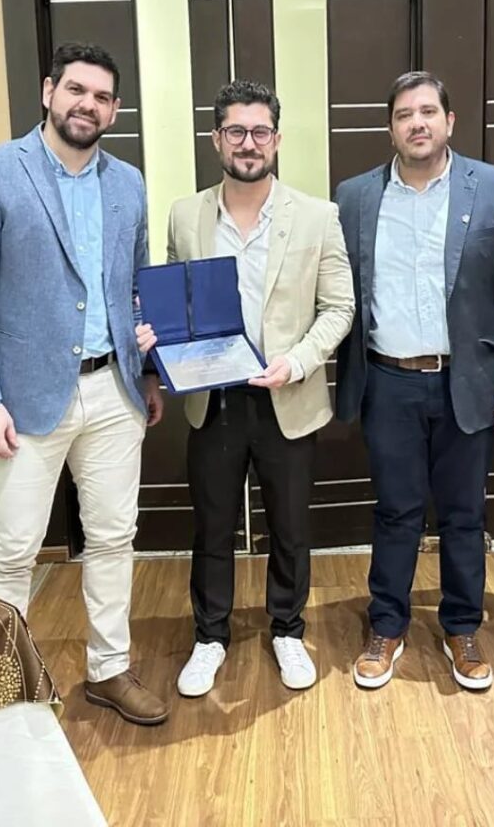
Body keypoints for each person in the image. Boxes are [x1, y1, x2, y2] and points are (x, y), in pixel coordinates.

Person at [0, 41, 167, 725]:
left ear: (114, 110)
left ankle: (109, 669)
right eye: (75, 90)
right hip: (24, 401)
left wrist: (147, 371)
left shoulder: (128, 183)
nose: (86, 105)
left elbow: (134, 285)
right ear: (48, 92)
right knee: (12, 548)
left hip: (114, 392)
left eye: (101, 97)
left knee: (114, 536)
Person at [136, 79, 354, 695]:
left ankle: (287, 629)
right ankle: (210, 637)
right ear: (217, 139)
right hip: (214, 401)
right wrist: (157, 340)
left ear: (277, 140)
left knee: (290, 527)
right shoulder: (186, 214)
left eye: (260, 131)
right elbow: (176, 302)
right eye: (236, 131)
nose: (249, 143)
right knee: (211, 526)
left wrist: (298, 361)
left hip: (287, 396)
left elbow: (339, 307)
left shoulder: (317, 216)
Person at [334, 70, 494, 690]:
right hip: (388, 381)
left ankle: (462, 628)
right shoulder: (355, 197)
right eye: (404, 114)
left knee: (464, 514)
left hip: (467, 382)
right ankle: (387, 625)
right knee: (395, 511)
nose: (416, 123)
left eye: (428, 112)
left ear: (449, 121)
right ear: (390, 128)